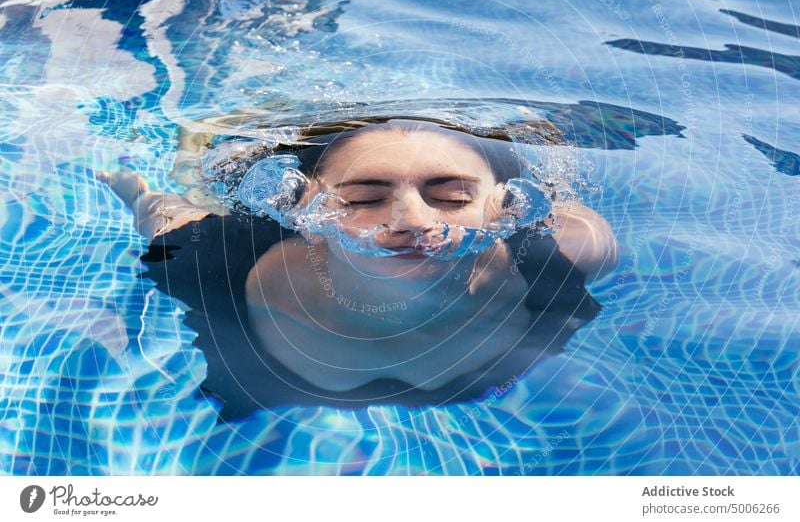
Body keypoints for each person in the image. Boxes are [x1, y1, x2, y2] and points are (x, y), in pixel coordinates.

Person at [98, 118, 618, 420]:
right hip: (263, 389)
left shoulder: (568, 252)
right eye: (364, 198)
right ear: (301, 207)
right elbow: (159, 207)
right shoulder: (213, 259)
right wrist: (131, 175)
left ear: (505, 208)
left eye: (454, 196)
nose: (412, 221)